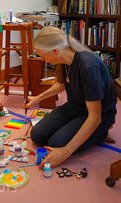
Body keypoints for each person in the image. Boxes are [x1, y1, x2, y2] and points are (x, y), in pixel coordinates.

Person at [25, 27, 117, 167]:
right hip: (75, 107)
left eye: (42, 55)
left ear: (55, 51)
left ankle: (101, 132)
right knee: (37, 135)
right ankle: (81, 132)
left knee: (57, 143)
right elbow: (61, 84)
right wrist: (38, 98)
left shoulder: (88, 66)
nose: (42, 59)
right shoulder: (64, 59)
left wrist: (65, 152)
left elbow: (95, 116)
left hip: (98, 115)